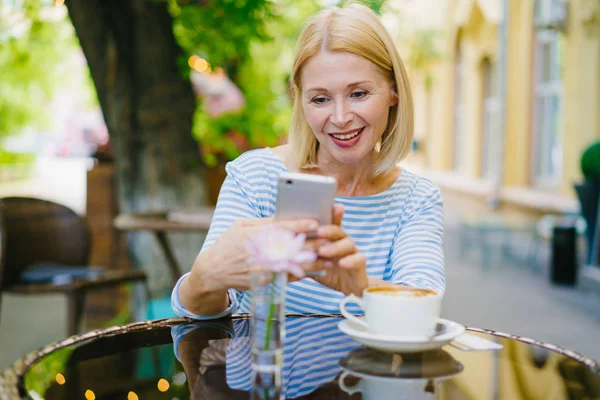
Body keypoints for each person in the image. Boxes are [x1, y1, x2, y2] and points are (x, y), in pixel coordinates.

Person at [172, 2, 445, 319]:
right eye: (321, 99)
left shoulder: (415, 199)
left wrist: (361, 286)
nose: (341, 118)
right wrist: (206, 276)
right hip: (265, 367)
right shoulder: (255, 177)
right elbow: (198, 314)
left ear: (393, 91)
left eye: (358, 94)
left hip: (369, 369)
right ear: (301, 101)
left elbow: (425, 312)